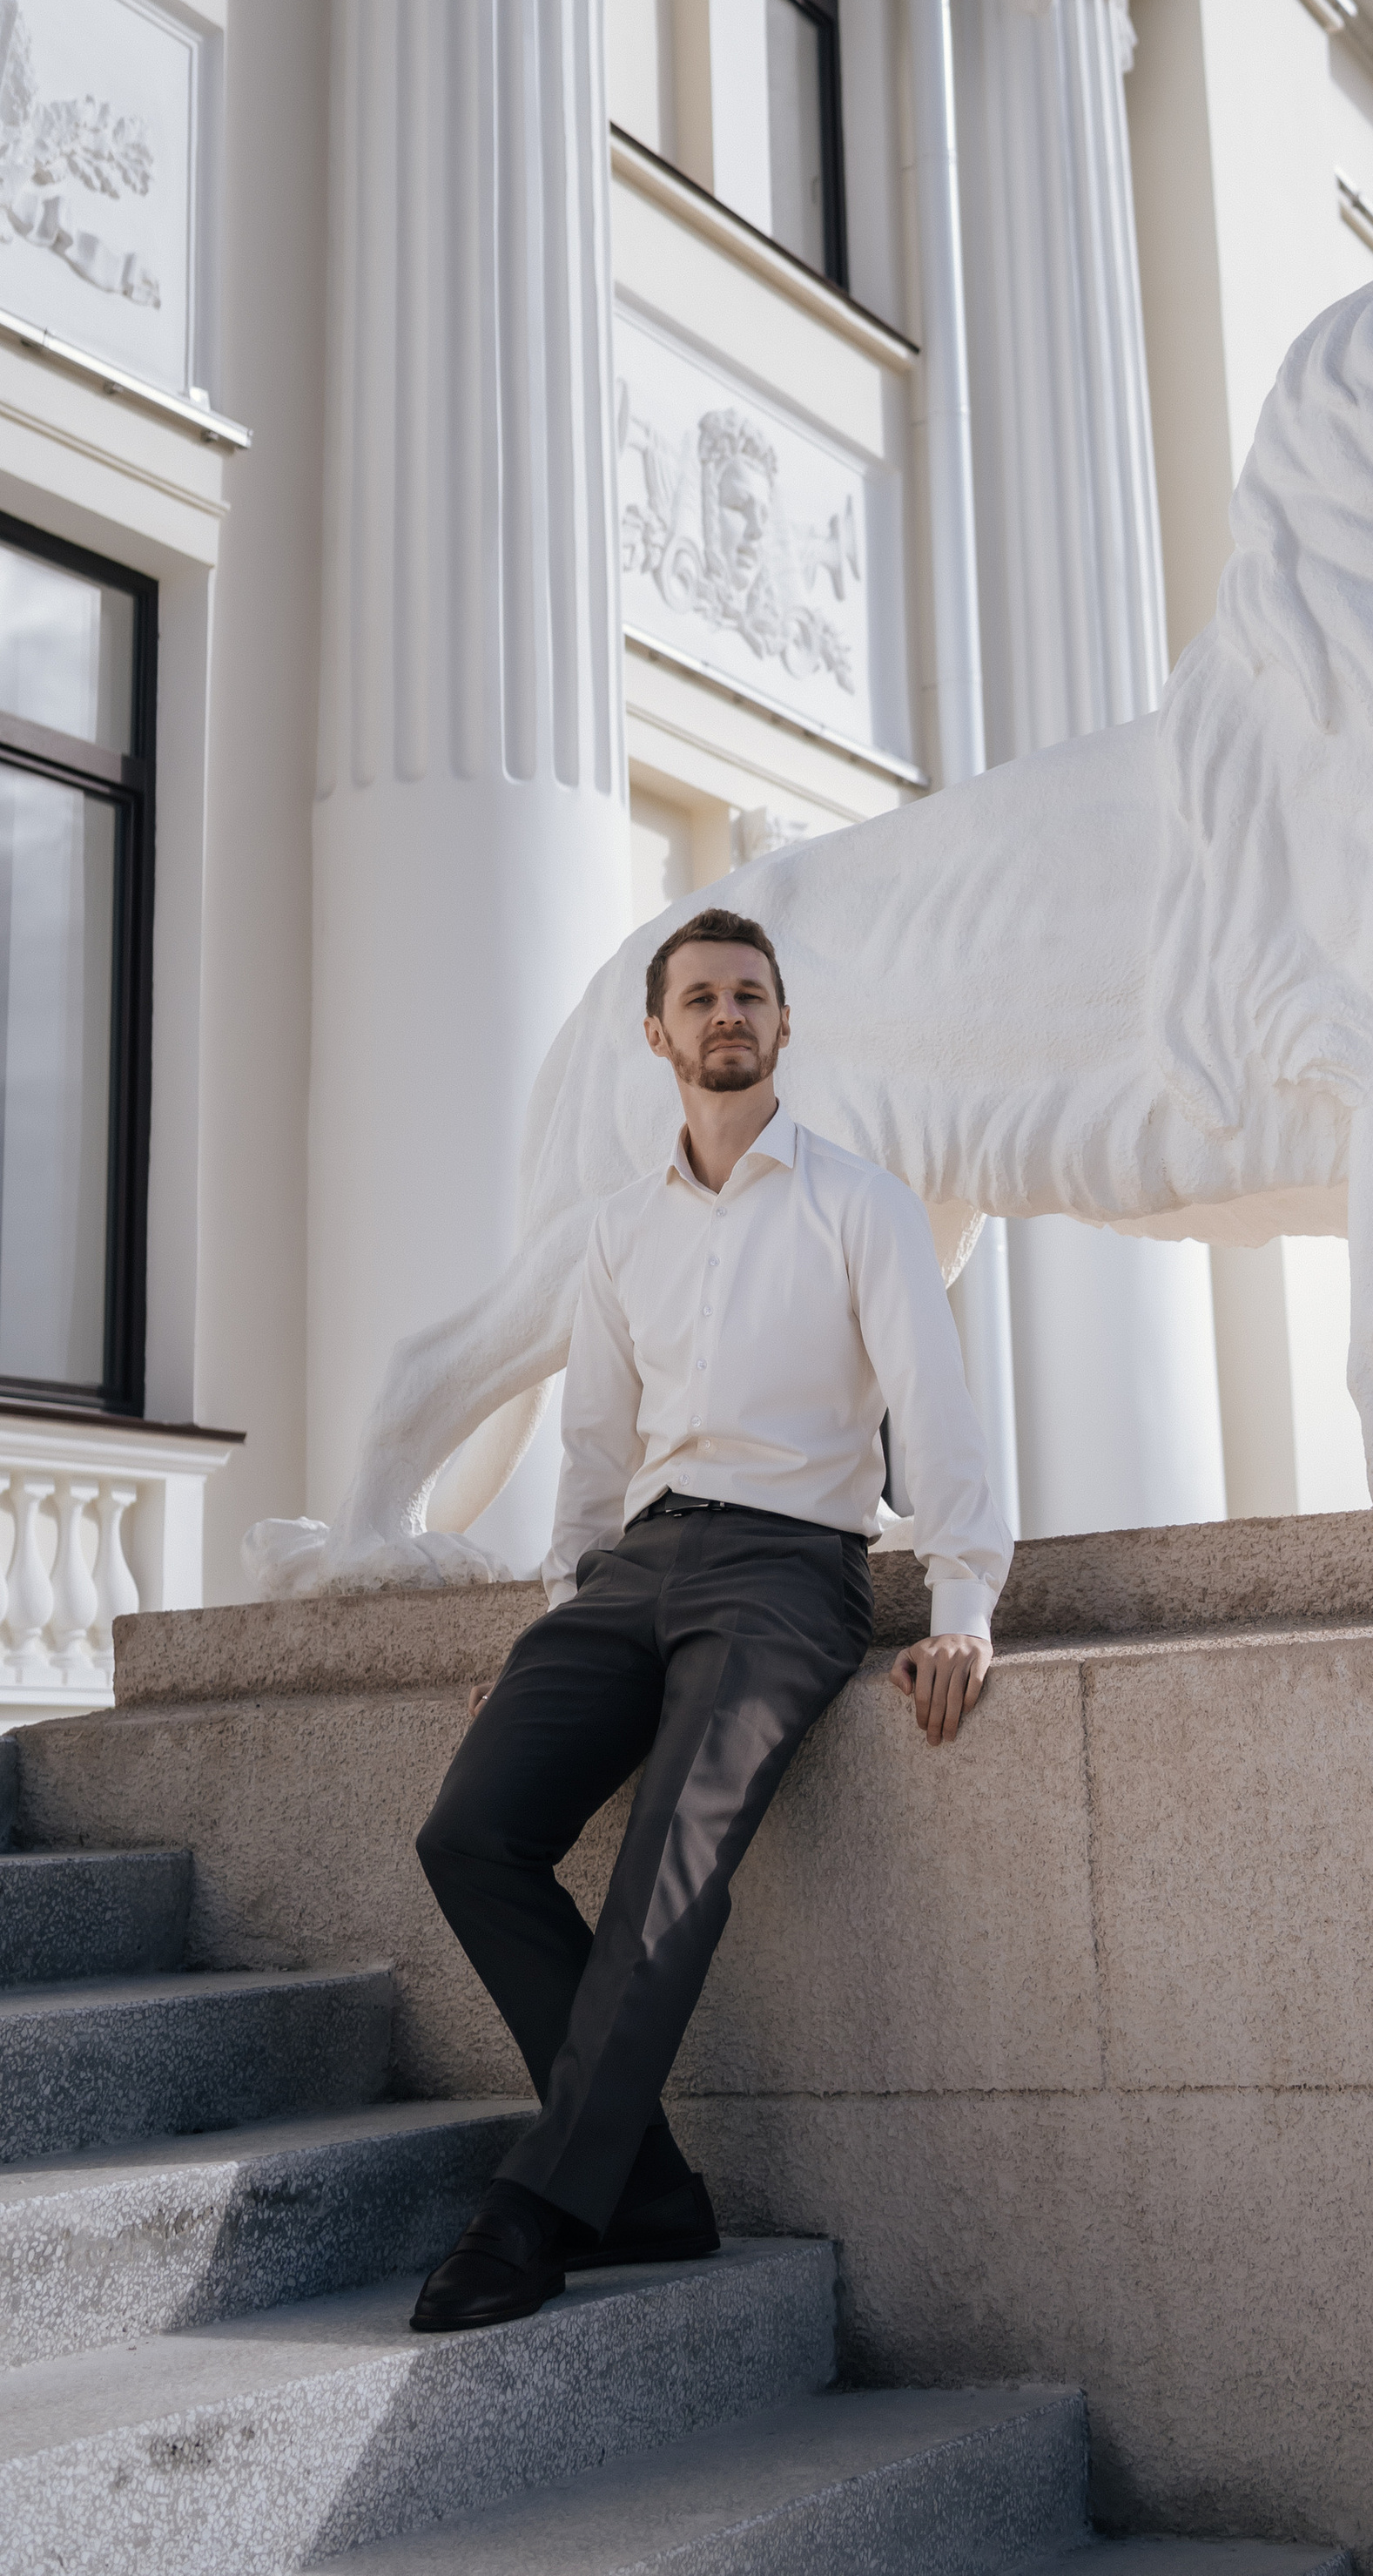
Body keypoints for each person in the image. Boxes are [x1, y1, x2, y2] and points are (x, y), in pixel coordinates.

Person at [409, 906, 1011, 2330]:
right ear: (659, 1035)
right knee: (471, 1835)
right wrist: (562, 1613)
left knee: (670, 1861)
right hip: (633, 1573)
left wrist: (966, 1602)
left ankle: (543, 2203)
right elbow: (594, 1448)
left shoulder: (862, 1202)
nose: (727, 1015)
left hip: (792, 1575)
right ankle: (649, 2185)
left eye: (751, 995)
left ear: (784, 1027)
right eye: (701, 998)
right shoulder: (620, 1234)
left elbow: (939, 1411)